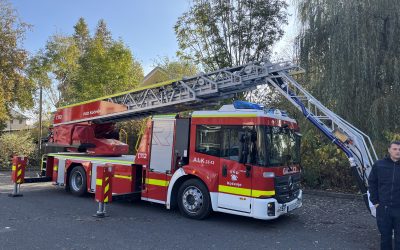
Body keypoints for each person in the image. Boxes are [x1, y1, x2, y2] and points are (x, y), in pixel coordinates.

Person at [369, 141, 400, 250]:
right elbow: (372, 183)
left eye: (399, 149)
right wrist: (376, 202)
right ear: (389, 150)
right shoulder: (379, 165)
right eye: (395, 149)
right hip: (384, 209)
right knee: (385, 238)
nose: (397, 151)